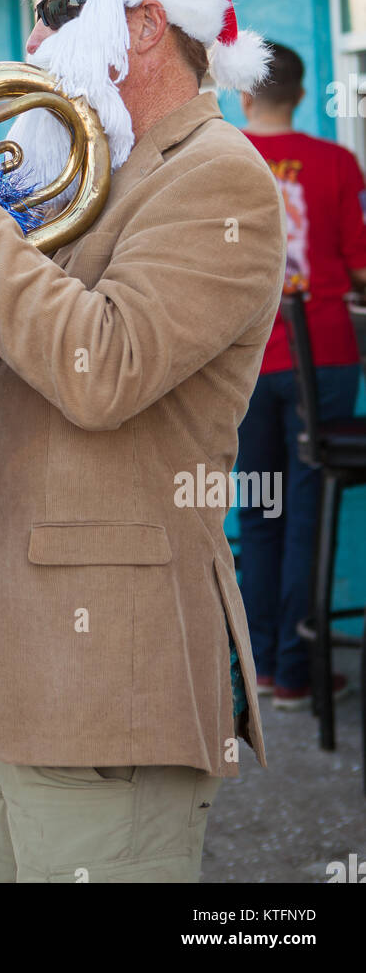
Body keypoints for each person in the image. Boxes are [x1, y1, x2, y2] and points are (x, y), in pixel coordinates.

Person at [0, 0, 286, 883]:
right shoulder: (80, 177)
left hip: (110, 683)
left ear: (142, 22)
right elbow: (4, 356)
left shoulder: (213, 179)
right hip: (22, 673)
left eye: (58, 6)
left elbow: (102, 369)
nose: (33, 37)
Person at [237, 44, 366, 710]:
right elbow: (358, 263)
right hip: (328, 361)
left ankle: (259, 668)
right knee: (307, 514)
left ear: (244, 94)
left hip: (242, 366)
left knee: (258, 511)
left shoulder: (218, 159)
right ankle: (296, 672)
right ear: (305, 91)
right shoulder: (338, 162)